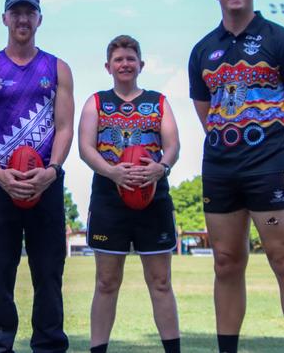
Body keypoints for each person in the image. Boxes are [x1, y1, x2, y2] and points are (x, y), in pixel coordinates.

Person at [188, 0, 284, 353]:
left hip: (271, 168)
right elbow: (208, 116)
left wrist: (282, 158)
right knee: (225, 261)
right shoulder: (203, 50)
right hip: (221, 170)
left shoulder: (283, 41)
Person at [0, 0, 74, 353]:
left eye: (30, 13)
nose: (23, 20)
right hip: (1, 185)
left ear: (39, 20)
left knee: (48, 273)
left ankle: (49, 345)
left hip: (45, 185)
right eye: (16, 13)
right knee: (0, 273)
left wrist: (53, 170)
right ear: (4, 19)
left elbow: (64, 127)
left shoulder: (58, 67)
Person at [79, 35, 181, 353]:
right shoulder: (96, 101)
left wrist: (161, 167)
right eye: (119, 59)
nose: (125, 64)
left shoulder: (158, 101)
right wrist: (112, 172)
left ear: (141, 65)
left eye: (130, 59)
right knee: (107, 282)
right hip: (110, 199)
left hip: (153, 197)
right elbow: (85, 147)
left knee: (161, 282)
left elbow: (173, 145)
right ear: (108, 66)